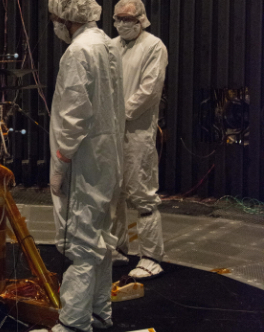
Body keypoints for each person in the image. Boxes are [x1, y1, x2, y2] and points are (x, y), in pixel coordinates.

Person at [46, 0, 125, 331]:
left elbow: (74, 114)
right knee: (100, 239)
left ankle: (74, 324)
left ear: (65, 17)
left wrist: (61, 162)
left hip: (82, 161)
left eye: (54, 18)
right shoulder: (107, 44)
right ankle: (99, 312)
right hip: (106, 159)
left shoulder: (78, 52)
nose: (54, 24)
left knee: (80, 242)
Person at [110, 0, 168, 280]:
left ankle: (151, 256)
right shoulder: (112, 46)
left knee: (142, 194)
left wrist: (121, 114)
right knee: (113, 192)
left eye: (127, 18)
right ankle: (117, 248)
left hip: (137, 133)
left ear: (141, 19)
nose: (122, 23)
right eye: (118, 18)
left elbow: (149, 90)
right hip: (110, 132)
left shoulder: (154, 46)